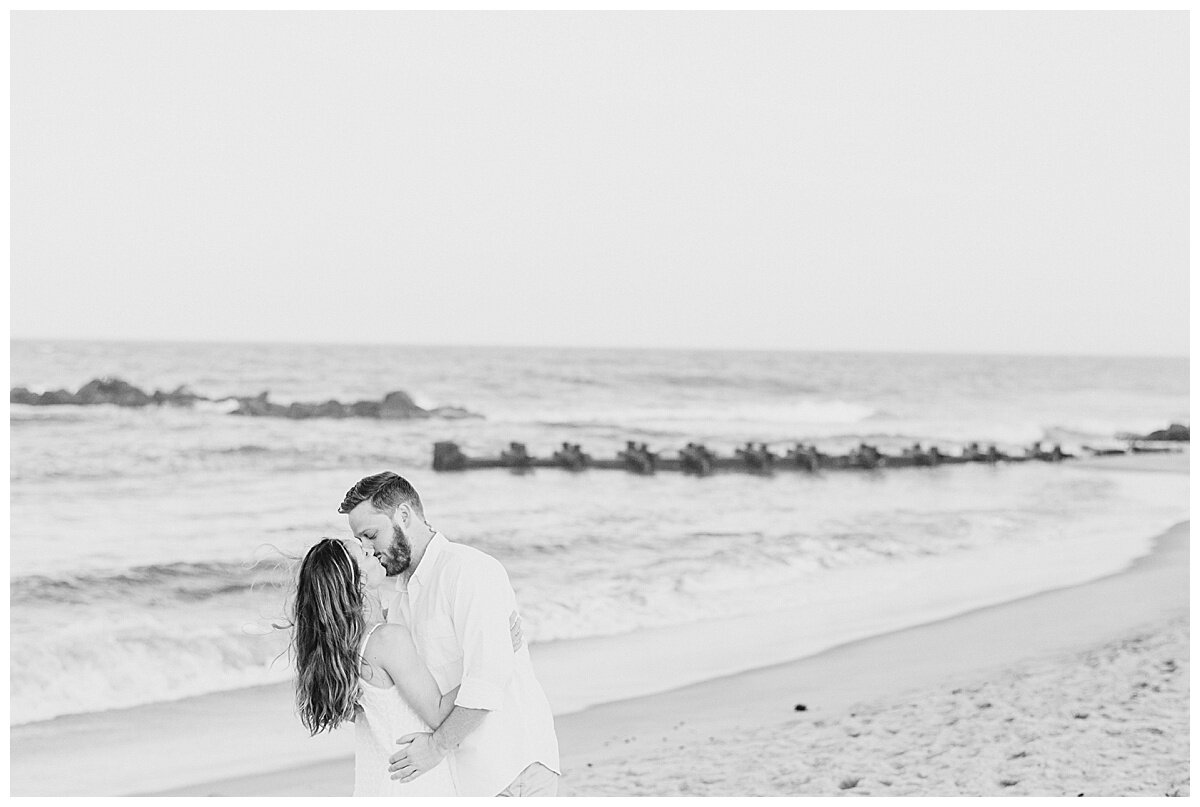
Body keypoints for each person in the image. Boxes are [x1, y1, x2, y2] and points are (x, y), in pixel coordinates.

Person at [340, 472, 561, 797]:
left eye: (371, 535)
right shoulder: (400, 598)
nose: (369, 550)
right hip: (463, 778)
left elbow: (488, 677)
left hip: (509, 768)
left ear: (404, 515)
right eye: (362, 543)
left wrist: (435, 747)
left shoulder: (468, 571)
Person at [291, 537, 459, 796]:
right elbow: (438, 714)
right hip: (414, 785)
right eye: (363, 553)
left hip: (377, 783)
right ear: (357, 582)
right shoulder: (386, 640)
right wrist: (491, 662)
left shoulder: (346, 647)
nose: (371, 548)